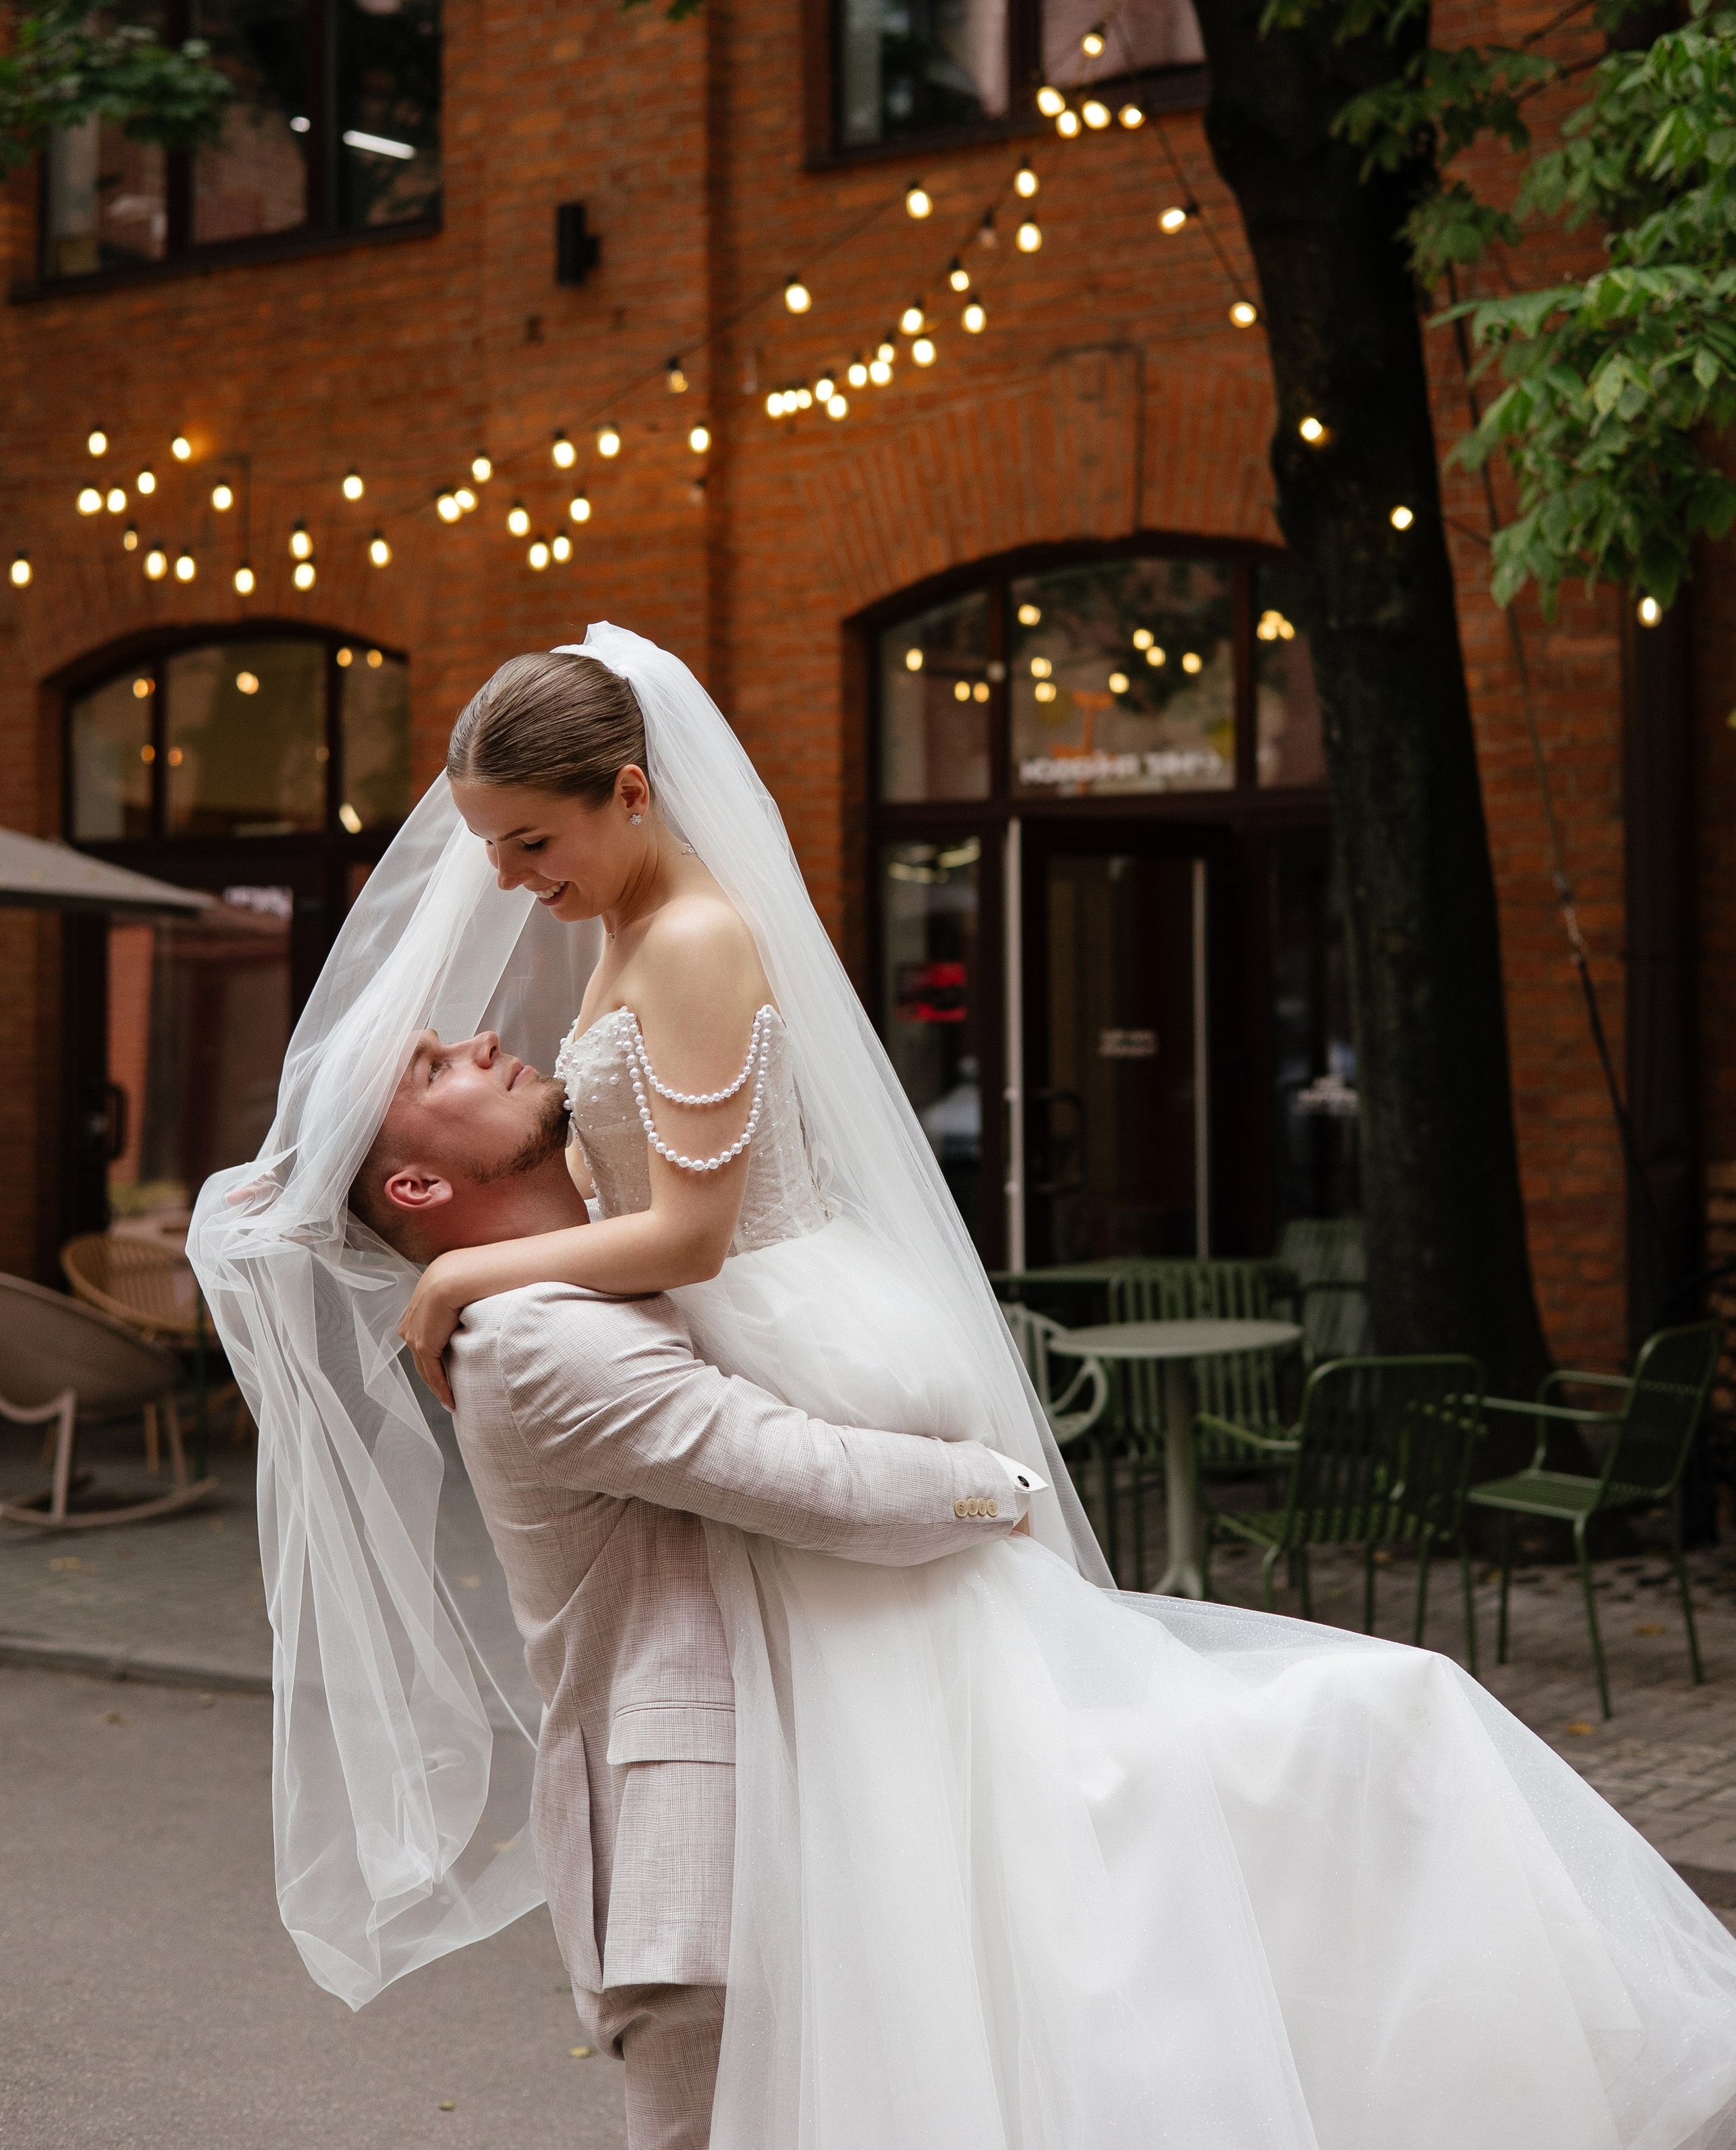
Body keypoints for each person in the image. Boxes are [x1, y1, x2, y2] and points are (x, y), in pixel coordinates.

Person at [192, 624, 1736, 2150]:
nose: (513, 885)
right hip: (713, 1324)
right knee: (963, 1791)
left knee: (1017, 1761)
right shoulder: (614, 955)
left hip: (757, 1293)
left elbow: (696, 1231)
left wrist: (465, 1270)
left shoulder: (692, 941)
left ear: (631, 792)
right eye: (498, 852)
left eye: (531, 841)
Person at [349, 1018, 1040, 2150]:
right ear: (417, 1182)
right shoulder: (535, 1344)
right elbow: (817, 1483)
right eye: (434, 1070)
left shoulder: (591, 1267)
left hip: (806, 1795)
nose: (478, 1041)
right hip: (706, 1848)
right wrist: (1007, 1487)